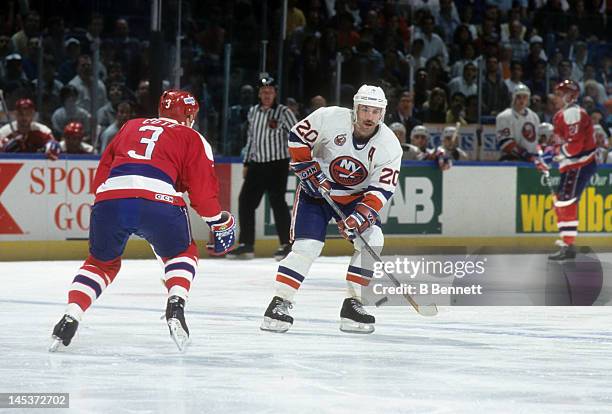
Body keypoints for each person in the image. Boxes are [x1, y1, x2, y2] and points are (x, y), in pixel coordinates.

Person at [49, 90, 236, 352]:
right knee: (181, 253)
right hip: (159, 200)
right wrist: (218, 222)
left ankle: (72, 314)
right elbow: (203, 194)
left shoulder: (130, 126)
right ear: (191, 114)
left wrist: (110, 205)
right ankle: (176, 303)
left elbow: (102, 173)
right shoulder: (192, 137)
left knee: (100, 264)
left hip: (110, 197)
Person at [260, 84, 401, 334]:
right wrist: (306, 166)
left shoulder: (390, 146)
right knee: (307, 247)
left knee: (373, 240)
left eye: (375, 111)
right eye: (365, 109)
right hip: (316, 194)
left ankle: (353, 304)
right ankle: (279, 302)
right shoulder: (329, 117)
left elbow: (381, 189)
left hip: (356, 198)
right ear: (355, 109)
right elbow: (297, 136)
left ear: (383, 114)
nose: (369, 116)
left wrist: (359, 217)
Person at [229, 74, 298, 260]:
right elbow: (251, 138)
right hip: (257, 164)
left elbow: (297, 135)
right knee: (245, 201)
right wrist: (246, 162)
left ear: (275, 93)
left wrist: (297, 158)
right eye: (264, 92)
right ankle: (246, 244)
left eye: (270, 92)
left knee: (278, 203)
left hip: (278, 164)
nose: (267, 95)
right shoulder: (253, 112)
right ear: (259, 94)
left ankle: (287, 244)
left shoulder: (284, 112)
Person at [535, 80, 597, 260]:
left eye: (559, 94)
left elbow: (575, 148)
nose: (555, 97)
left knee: (565, 203)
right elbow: (559, 144)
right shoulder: (563, 114)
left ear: (570, 96)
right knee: (563, 203)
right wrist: (547, 155)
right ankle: (567, 244)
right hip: (572, 165)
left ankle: (568, 245)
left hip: (579, 164)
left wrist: (553, 157)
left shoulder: (572, 113)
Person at [496, 84, 540, 161]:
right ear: (513, 98)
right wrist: (526, 155)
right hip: (510, 160)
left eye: (525, 97)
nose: (522, 100)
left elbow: (535, 142)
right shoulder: (504, 116)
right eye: (519, 97)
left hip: (531, 161)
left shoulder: (534, 116)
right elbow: (505, 143)